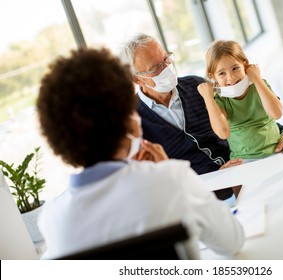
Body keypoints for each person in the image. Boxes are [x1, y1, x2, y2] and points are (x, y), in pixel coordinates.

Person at [36, 48, 244, 259]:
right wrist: (166, 173)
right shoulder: (169, 178)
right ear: (132, 123)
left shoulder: (52, 219)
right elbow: (232, 242)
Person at [118, 33, 283, 175]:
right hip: (199, 190)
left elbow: (245, 115)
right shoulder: (132, 119)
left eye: (166, 59)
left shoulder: (197, 86)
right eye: (156, 67)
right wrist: (215, 174)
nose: (166, 67)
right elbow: (147, 174)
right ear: (137, 79)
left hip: (242, 166)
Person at [197, 40, 283, 160]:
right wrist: (208, 98)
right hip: (244, 161)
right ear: (213, 77)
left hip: (277, 152)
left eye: (235, 68)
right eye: (222, 73)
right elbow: (223, 133)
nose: (231, 78)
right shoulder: (219, 100)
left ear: (245, 65)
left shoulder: (259, 85)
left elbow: (277, 113)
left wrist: (257, 79)